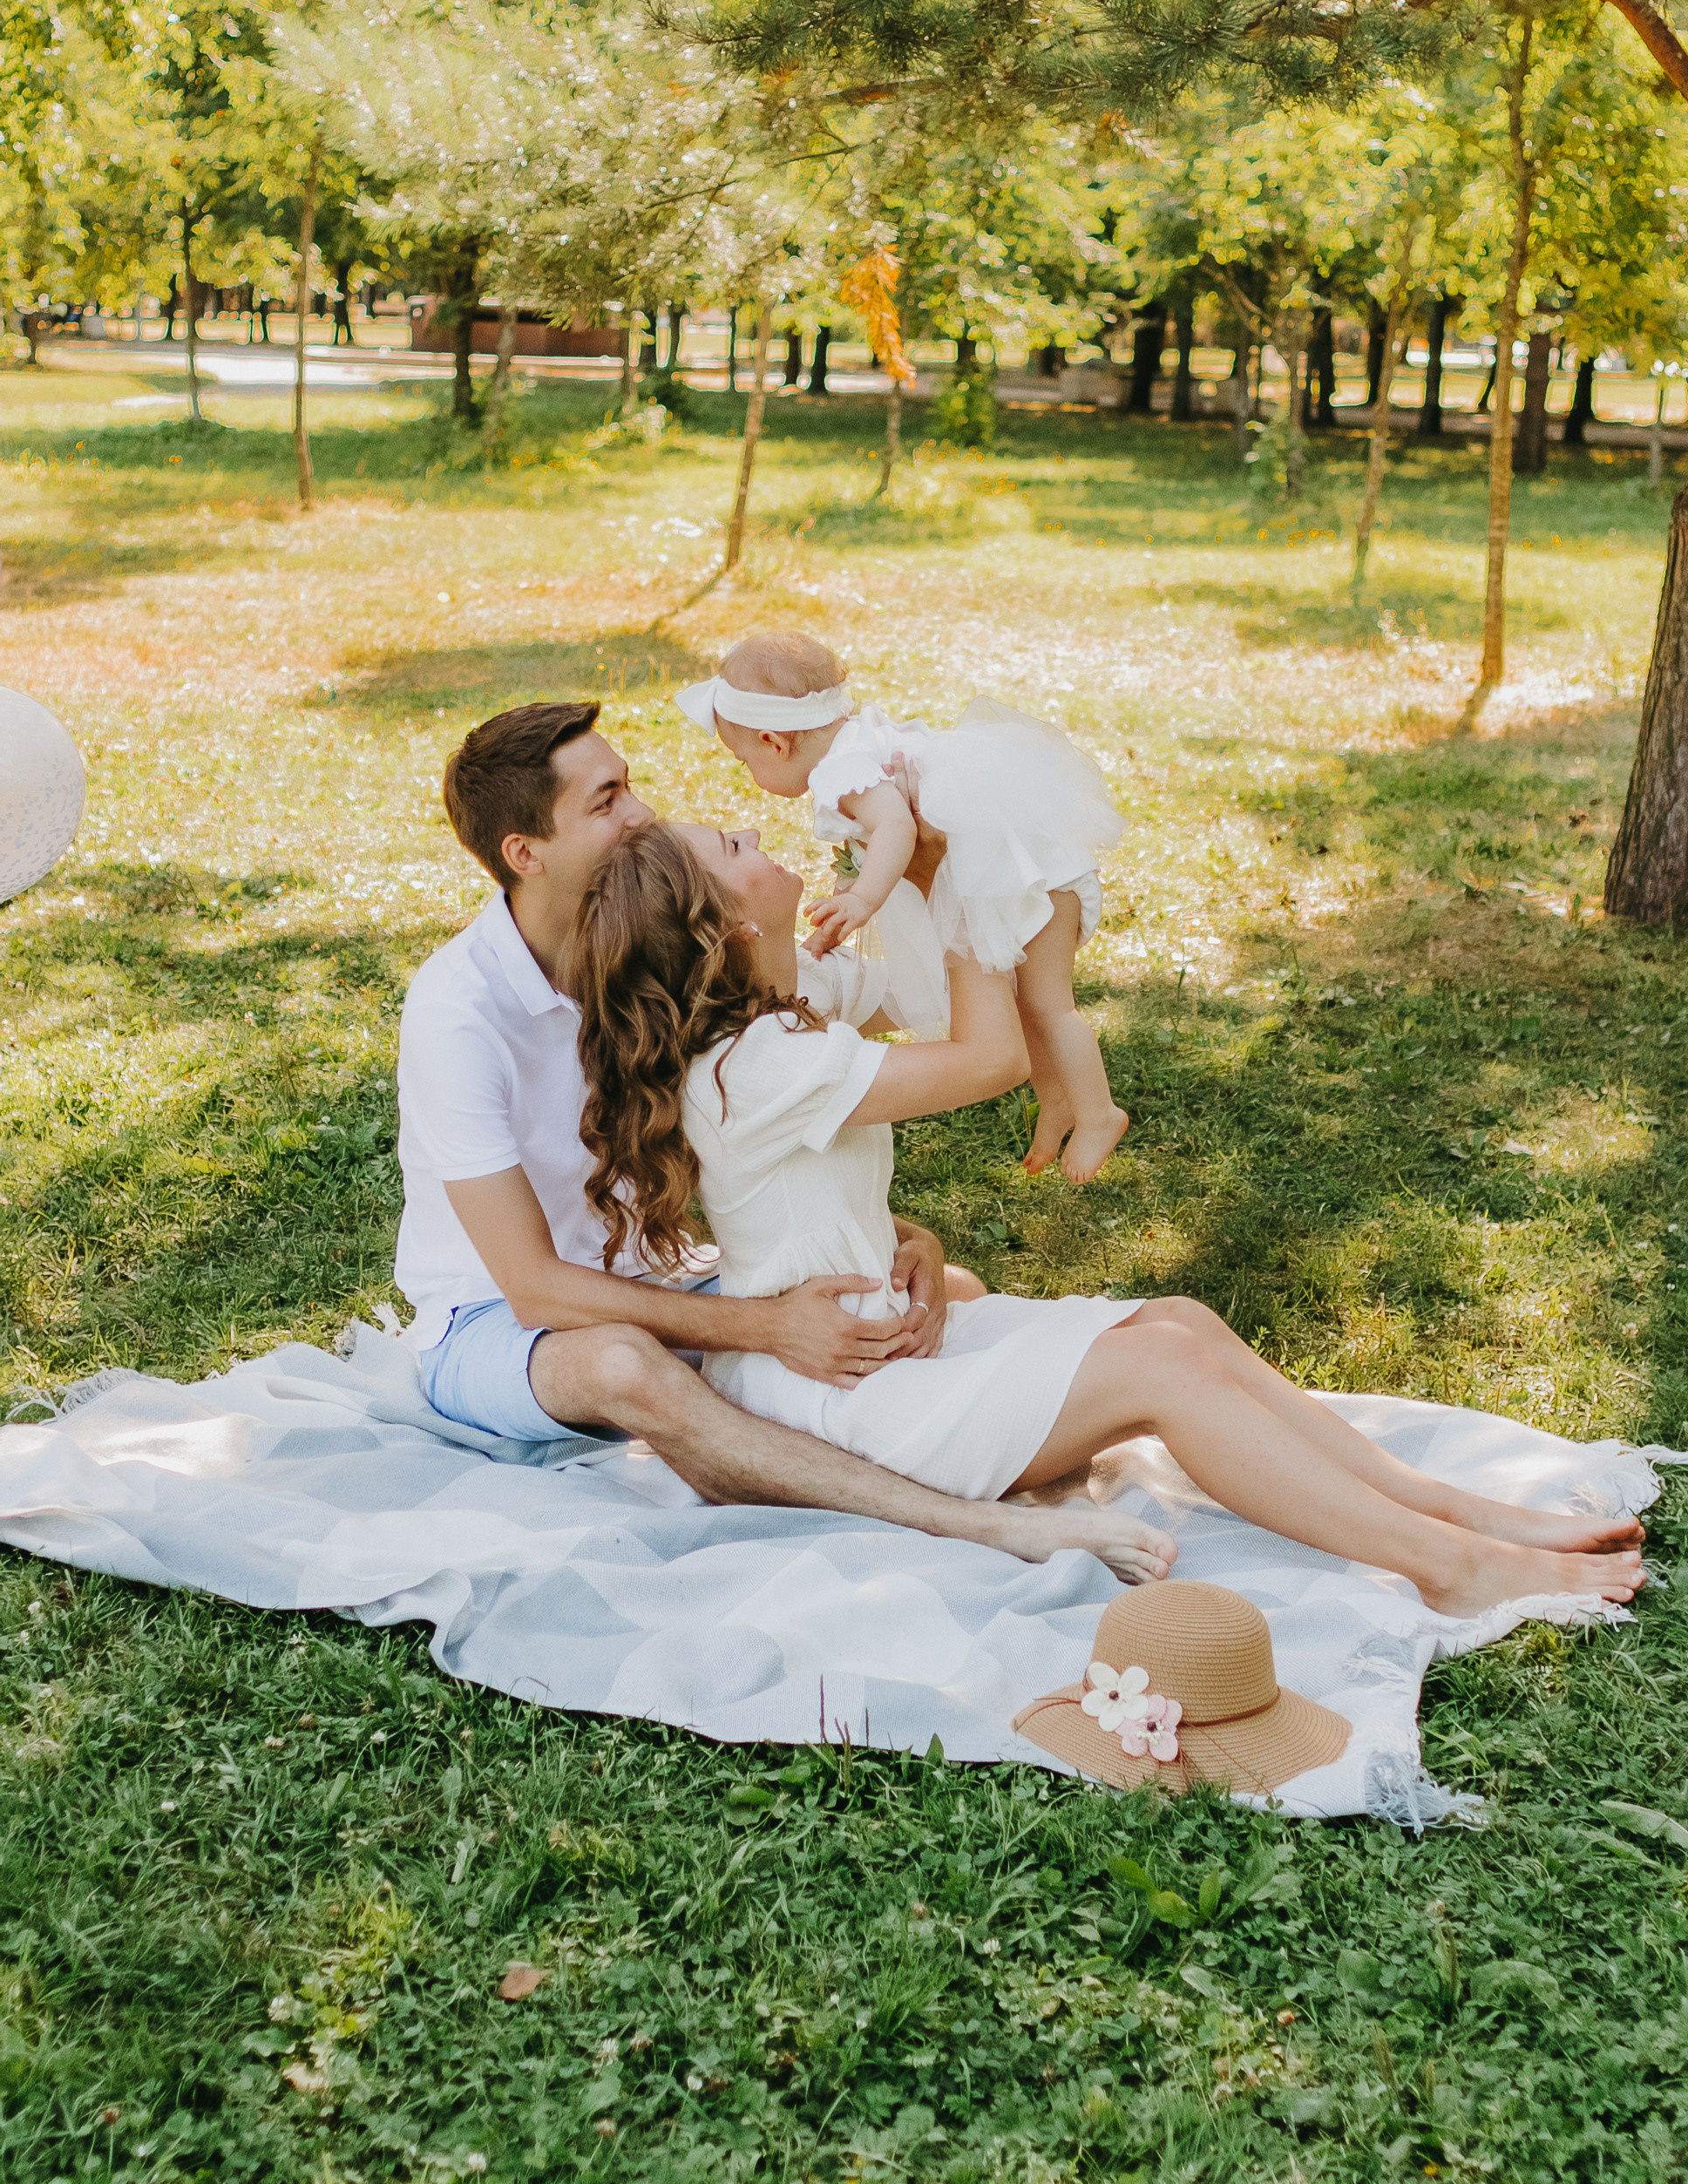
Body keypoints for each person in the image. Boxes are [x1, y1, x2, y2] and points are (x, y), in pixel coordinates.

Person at [572, 820, 1648, 1621]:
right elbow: (989, 1057)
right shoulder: (755, 1062)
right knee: (1160, 1370)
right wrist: (975, 887)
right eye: (731, 846)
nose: (752, 830)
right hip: (837, 1400)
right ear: (727, 923)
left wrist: (930, 861)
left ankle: (1450, 1511)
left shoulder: (788, 998)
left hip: (873, 1340)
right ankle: (1451, 1569)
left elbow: (931, 1001)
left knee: (1175, 1318)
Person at [391, 699, 1175, 1580]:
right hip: (496, 1323)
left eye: (628, 787)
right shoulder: (459, 1013)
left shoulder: (659, 952)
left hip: (655, 1273)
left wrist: (911, 1240)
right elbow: (533, 1287)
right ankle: (971, 1525)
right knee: (624, 1365)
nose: (640, 814)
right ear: (525, 854)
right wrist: (762, 1326)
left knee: (933, 1297)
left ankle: (953, 1446)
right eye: (605, 802)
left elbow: (748, 1136)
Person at [676, 629, 1127, 1182]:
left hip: (1034, 874)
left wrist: (864, 898)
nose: (752, 774)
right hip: (1012, 870)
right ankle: (1059, 1101)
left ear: (774, 742)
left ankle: (1100, 1114)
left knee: (1048, 1003)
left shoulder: (840, 772)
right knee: (1027, 1002)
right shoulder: (852, 745)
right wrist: (847, 901)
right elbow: (876, 843)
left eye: (746, 761)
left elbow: (896, 827)